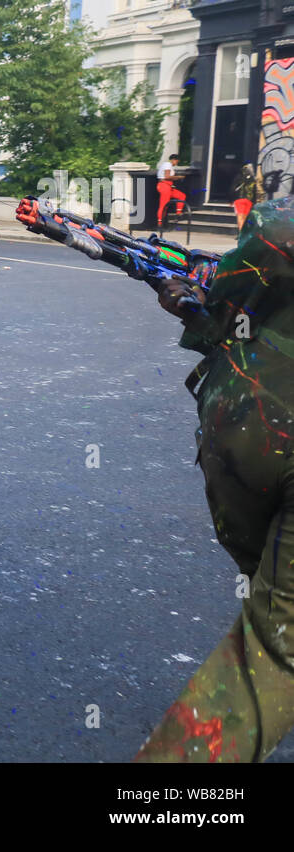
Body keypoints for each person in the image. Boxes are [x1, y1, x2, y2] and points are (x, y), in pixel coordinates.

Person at [139, 194, 294, 762]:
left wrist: (210, 291)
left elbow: (275, 237)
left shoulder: (278, 224)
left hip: (250, 432)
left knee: (276, 639)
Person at [156, 154, 187, 230]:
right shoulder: (167, 164)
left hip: (168, 186)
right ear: (174, 160)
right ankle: (159, 224)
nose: (176, 163)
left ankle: (178, 214)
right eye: (177, 161)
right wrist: (178, 177)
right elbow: (167, 176)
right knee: (163, 205)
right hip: (164, 186)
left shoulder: (168, 165)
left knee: (181, 196)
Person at [230, 163, 263, 231]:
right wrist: (254, 202)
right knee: (245, 217)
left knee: (239, 217)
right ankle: (244, 232)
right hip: (249, 200)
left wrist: (231, 200)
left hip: (239, 200)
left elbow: (232, 188)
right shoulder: (253, 180)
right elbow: (254, 191)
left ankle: (241, 233)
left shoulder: (238, 177)